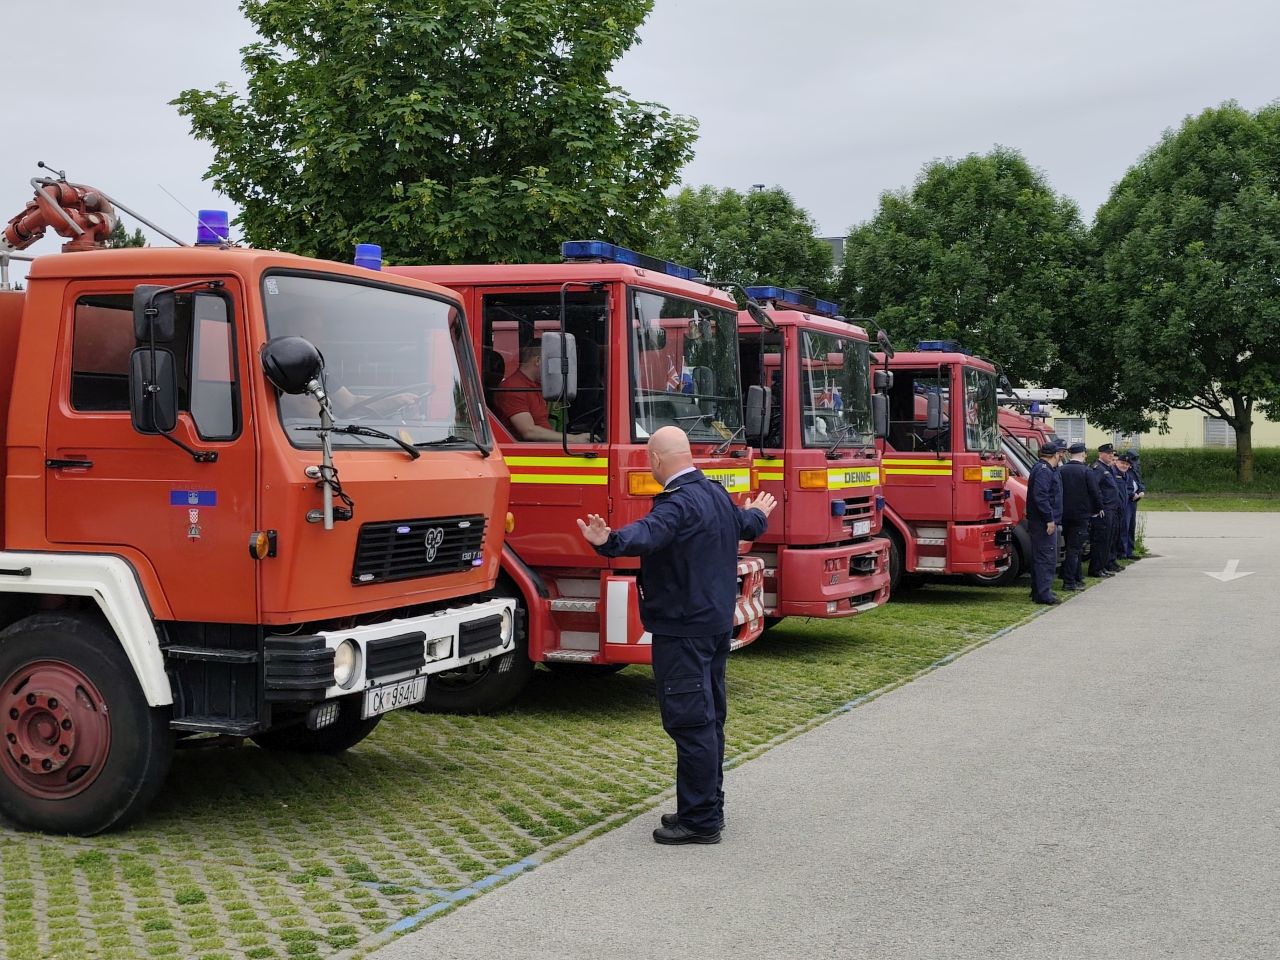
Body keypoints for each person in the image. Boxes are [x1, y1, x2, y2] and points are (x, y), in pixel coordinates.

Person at [576, 426, 776, 845]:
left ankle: (701, 821)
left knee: (690, 723)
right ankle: (703, 807)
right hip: (714, 624)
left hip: (682, 630)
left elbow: (648, 532)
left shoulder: (677, 504)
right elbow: (745, 525)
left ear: (655, 460)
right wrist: (759, 513)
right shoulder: (715, 493)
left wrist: (608, 541)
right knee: (709, 720)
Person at [491, 341, 590, 442]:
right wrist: (574, 438)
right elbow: (529, 431)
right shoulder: (513, 388)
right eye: (551, 362)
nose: (554, 368)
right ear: (538, 360)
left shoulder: (536, 385)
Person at [1058, 441, 1102, 591]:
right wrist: (1097, 509)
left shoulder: (1061, 470)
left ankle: (1076, 577)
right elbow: (1095, 492)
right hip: (1081, 515)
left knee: (1069, 546)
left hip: (1064, 515)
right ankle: (1069, 582)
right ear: (1083, 454)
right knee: (1074, 549)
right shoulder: (1086, 471)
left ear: (1070, 454)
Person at [1025, 438, 1064, 604]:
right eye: (1060, 454)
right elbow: (1041, 497)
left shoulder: (1041, 468)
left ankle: (1038, 591)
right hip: (1043, 522)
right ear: (1055, 455)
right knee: (1046, 557)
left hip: (1040, 520)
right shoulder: (1044, 470)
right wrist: (1049, 519)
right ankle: (1043, 594)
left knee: (1041, 556)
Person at [1088, 443, 1122, 577]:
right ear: (1100, 454)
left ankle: (1102, 566)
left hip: (1111, 509)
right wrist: (1099, 507)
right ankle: (1096, 569)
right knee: (1101, 540)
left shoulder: (1108, 468)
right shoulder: (1098, 468)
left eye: (1112, 454)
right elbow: (1094, 489)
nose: (1111, 456)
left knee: (1108, 540)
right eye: (1108, 454)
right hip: (1104, 510)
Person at [1117, 452, 1145, 559]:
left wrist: (1141, 491)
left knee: (1131, 527)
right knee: (1125, 526)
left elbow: (1139, 482)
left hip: (1134, 501)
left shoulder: (1133, 470)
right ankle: (1122, 552)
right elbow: (1125, 486)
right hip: (1127, 500)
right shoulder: (1122, 471)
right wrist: (1133, 494)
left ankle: (1129, 551)